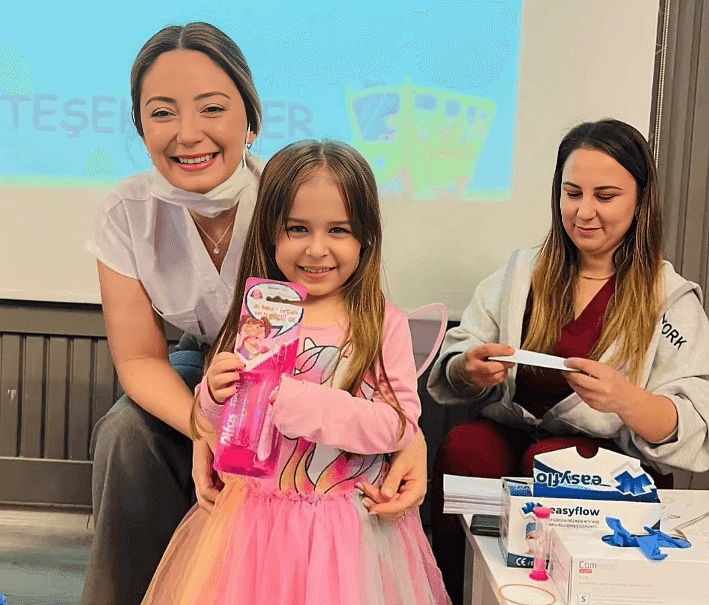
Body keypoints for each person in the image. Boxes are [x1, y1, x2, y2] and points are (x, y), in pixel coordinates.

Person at [83, 22, 427, 605]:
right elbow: (140, 358)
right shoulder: (125, 211)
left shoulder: (292, 193)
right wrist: (205, 425)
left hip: (305, 373)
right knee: (124, 435)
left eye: (211, 108)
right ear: (139, 126)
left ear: (252, 115)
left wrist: (406, 435)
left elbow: (373, 365)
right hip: (209, 368)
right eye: (161, 112)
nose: (188, 134)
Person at [139, 139, 450, 604]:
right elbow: (229, 433)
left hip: (348, 534)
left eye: (339, 230)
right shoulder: (259, 314)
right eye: (297, 228)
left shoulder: (383, 323)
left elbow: (398, 425)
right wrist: (213, 397)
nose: (317, 249)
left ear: (366, 236)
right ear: (270, 233)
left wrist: (294, 402)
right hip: (254, 528)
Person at [427, 118, 709, 604]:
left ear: (641, 200)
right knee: (468, 447)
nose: (583, 212)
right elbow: (458, 357)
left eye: (606, 196)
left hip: (606, 465)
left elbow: (693, 417)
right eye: (571, 192)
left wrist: (626, 399)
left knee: (553, 460)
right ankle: (454, 594)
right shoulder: (521, 274)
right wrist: (468, 369)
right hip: (511, 439)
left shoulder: (669, 299)